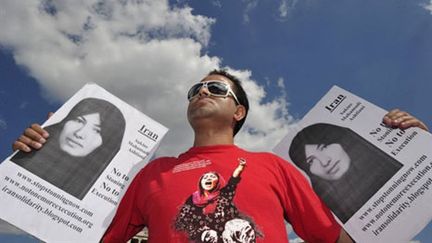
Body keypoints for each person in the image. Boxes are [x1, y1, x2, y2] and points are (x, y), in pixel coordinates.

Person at [12, 70, 428, 242]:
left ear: (239, 111)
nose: (202, 94)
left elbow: (336, 238)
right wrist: (44, 157)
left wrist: (416, 153)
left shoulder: (273, 166)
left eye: (216, 89)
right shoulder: (152, 173)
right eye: (195, 91)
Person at [11, 98, 125, 199]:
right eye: (79, 121)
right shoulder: (28, 156)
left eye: (97, 130)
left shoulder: (106, 201)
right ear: (65, 121)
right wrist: (18, 160)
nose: (79, 134)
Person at [289, 123, 404, 223]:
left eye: (323, 147)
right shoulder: (334, 225)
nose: (324, 162)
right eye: (311, 161)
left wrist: (418, 133)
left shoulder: (397, 166)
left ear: (342, 140)